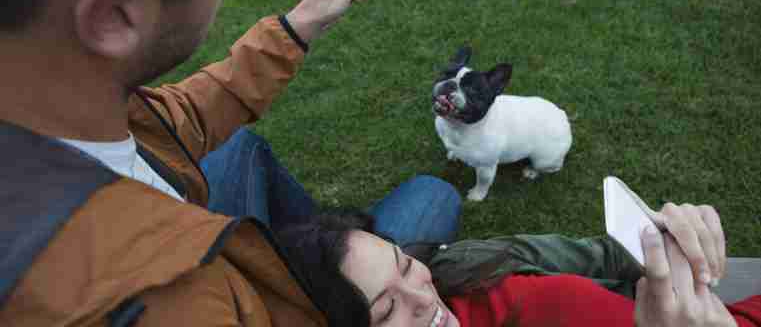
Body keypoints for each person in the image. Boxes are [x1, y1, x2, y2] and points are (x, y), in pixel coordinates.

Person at [0, 0, 461, 326]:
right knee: (432, 197)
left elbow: (177, 121)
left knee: (237, 147)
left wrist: (301, 23)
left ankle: (323, 251)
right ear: (117, 13)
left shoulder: (60, 105)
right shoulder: (176, 305)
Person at [277, 203, 761, 327]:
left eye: (406, 265)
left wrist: (660, 239)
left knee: (436, 192)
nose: (426, 299)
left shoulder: (475, 271)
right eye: (386, 312)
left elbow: (603, 255)